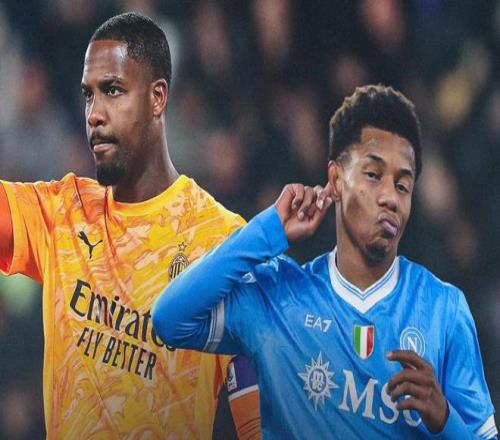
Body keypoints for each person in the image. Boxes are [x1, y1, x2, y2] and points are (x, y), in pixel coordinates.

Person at [152, 85, 498, 439]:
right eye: (373, 175)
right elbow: (170, 318)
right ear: (335, 179)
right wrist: (267, 231)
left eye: (402, 186)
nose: (390, 198)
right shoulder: (280, 298)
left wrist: (445, 420)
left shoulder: (443, 309)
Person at [0, 12, 260, 439]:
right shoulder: (62, 212)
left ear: (157, 98)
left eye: (113, 90)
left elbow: (258, 419)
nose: (94, 114)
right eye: (88, 95)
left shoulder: (221, 240)